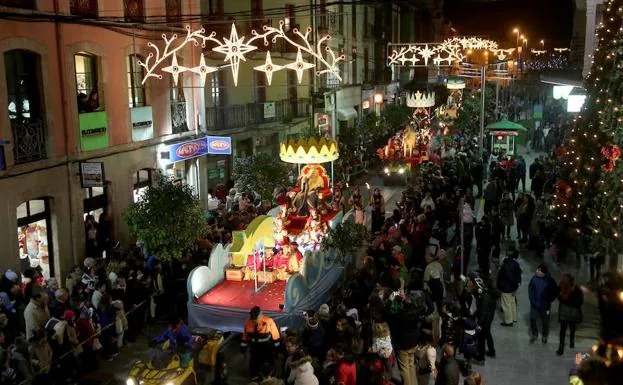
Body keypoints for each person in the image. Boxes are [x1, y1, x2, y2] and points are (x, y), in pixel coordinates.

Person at [241, 306, 281, 379]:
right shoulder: (248, 322)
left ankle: (269, 377)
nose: (255, 320)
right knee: (254, 363)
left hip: (267, 348)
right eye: (253, 319)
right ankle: (255, 377)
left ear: (260, 314)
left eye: (256, 318)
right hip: (254, 348)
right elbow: (245, 337)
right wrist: (243, 349)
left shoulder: (269, 321)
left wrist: (277, 350)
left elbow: (276, 335)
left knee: (268, 363)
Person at [528, 264, 558, 344]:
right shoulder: (534, 279)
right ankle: (535, 334)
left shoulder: (550, 281)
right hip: (535, 305)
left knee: (545, 322)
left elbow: (555, 292)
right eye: (537, 269)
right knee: (532, 319)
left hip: (545, 306)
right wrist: (532, 300)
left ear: (543, 272)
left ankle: (545, 335)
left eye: (539, 270)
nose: (536, 271)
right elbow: (530, 290)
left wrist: (549, 300)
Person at [556, 274, 584, 356]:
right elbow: (580, 301)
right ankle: (571, 340)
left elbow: (559, 299)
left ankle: (561, 348)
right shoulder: (576, 289)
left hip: (564, 312)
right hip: (573, 313)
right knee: (572, 328)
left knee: (562, 330)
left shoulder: (560, 289)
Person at [497, 247, 522, 326]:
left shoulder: (506, 264)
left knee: (506, 304)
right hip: (513, 287)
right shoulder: (516, 263)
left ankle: (508, 321)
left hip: (506, 287)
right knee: (512, 302)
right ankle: (514, 318)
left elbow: (508, 276)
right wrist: (516, 284)